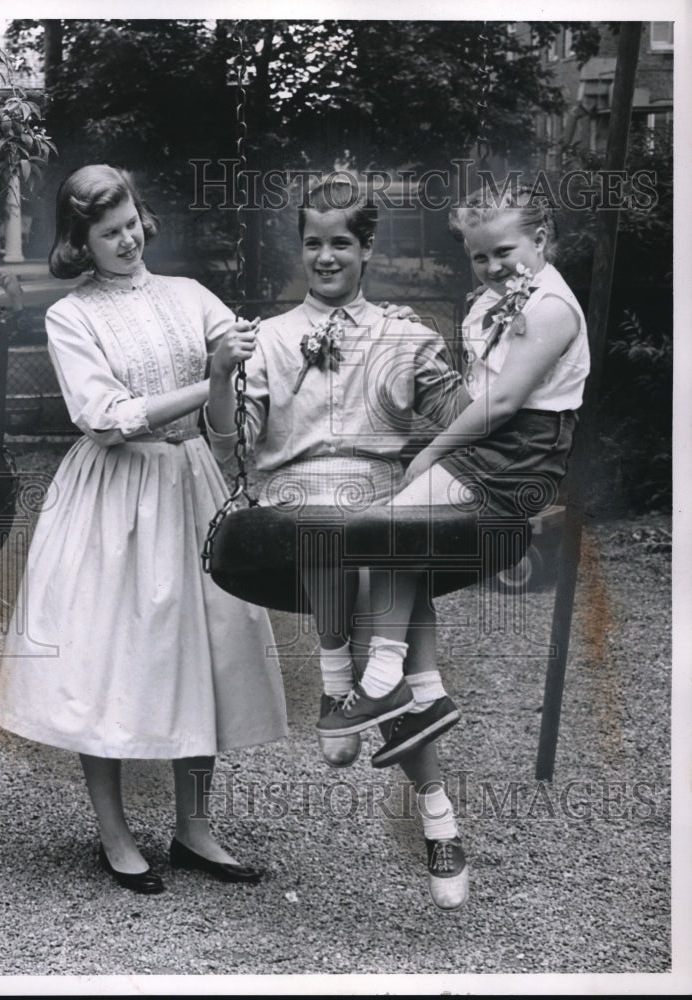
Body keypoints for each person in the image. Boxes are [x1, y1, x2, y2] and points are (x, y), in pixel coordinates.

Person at [0, 164, 287, 895]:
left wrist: (227, 373)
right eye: (107, 233)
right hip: (111, 498)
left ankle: (193, 828)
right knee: (109, 654)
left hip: (190, 482)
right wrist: (205, 374)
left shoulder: (189, 296)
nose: (126, 240)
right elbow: (106, 417)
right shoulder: (73, 316)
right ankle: (115, 833)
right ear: (80, 242)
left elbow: (225, 418)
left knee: (204, 650)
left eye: (130, 224)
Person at [206, 174, 469, 910]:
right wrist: (221, 373)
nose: (326, 258)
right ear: (302, 247)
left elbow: (472, 417)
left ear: (366, 248)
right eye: (314, 244)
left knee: (389, 542)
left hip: (384, 501)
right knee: (331, 522)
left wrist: (464, 348)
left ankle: (423, 795)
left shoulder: (405, 333)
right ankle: (344, 684)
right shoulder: (267, 340)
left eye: (341, 244)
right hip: (297, 505)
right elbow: (233, 444)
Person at [320, 186, 590, 772]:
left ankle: (390, 681)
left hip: (519, 457)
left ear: (540, 240)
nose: (492, 267)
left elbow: (505, 401)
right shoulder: (491, 302)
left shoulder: (550, 307)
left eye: (504, 252)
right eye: (479, 256)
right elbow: (472, 396)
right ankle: (423, 696)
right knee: (393, 542)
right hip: (492, 446)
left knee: (386, 533)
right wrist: (416, 339)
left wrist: (430, 454)